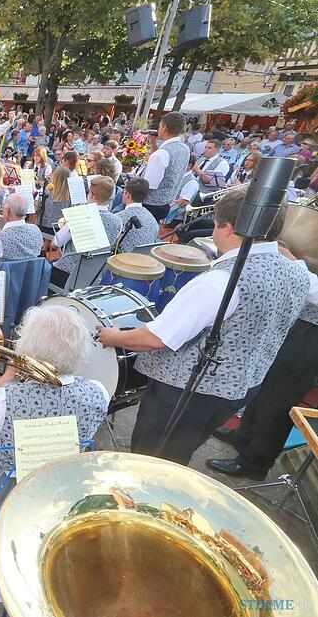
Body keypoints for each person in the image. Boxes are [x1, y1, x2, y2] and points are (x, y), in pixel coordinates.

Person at [97, 191, 312, 465]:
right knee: (180, 450)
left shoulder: (220, 282)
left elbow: (156, 338)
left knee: (151, 457)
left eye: (215, 224)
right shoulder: (298, 273)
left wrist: (114, 336)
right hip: (242, 387)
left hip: (185, 394)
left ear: (229, 228)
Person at [0, 306, 109, 498]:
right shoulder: (99, 392)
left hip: (0, 488)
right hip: (58, 483)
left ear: (27, 346)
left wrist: (8, 375)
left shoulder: (4, 398)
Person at [206, 264, 318, 479]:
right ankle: (244, 437)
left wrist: (293, 265)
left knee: (281, 398)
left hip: (312, 331)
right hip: (300, 317)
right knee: (265, 383)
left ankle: (254, 463)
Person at [51, 176, 122, 289]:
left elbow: (57, 242)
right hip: (94, 276)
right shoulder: (118, 221)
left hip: (68, 273)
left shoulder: (81, 213)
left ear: (92, 194)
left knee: (42, 271)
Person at [143, 112, 190, 221]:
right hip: (166, 202)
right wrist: (153, 143)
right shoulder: (184, 148)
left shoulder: (161, 154)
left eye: (159, 126)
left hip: (150, 205)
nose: (158, 129)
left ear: (164, 128)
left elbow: (149, 186)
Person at [115, 178, 157, 253]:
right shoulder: (153, 219)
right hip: (144, 260)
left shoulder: (118, 218)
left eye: (124, 192)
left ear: (128, 195)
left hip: (122, 261)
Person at [39, 165, 71, 235]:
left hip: (45, 226)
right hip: (61, 228)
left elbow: (40, 206)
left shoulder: (48, 190)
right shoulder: (69, 193)